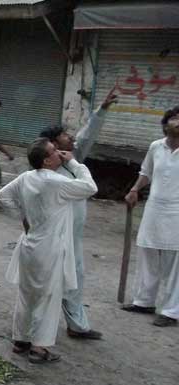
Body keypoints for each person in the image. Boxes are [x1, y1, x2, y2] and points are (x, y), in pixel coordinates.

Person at [0, 138, 98, 363]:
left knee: (27, 295)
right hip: (50, 248)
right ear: (46, 160)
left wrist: (23, 218)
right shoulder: (56, 181)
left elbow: (2, 196)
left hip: (30, 244)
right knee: (48, 297)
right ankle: (39, 348)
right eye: (54, 152)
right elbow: (91, 187)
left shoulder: (26, 178)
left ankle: (21, 340)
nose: (59, 154)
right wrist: (74, 164)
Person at [39, 89, 118, 340]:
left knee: (74, 282)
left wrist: (102, 109)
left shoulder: (74, 162)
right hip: (53, 239)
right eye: (64, 135)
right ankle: (31, 330)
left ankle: (77, 326)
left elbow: (86, 135)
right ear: (52, 144)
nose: (70, 137)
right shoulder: (45, 170)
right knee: (47, 285)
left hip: (73, 239)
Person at [122, 107, 179, 327]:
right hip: (154, 208)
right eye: (175, 119)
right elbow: (146, 172)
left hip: (177, 211)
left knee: (175, 262)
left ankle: (172, 311)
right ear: (166, 125)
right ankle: (144, 301)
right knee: (147, 253)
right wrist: (134, 190)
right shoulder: (156, 146)